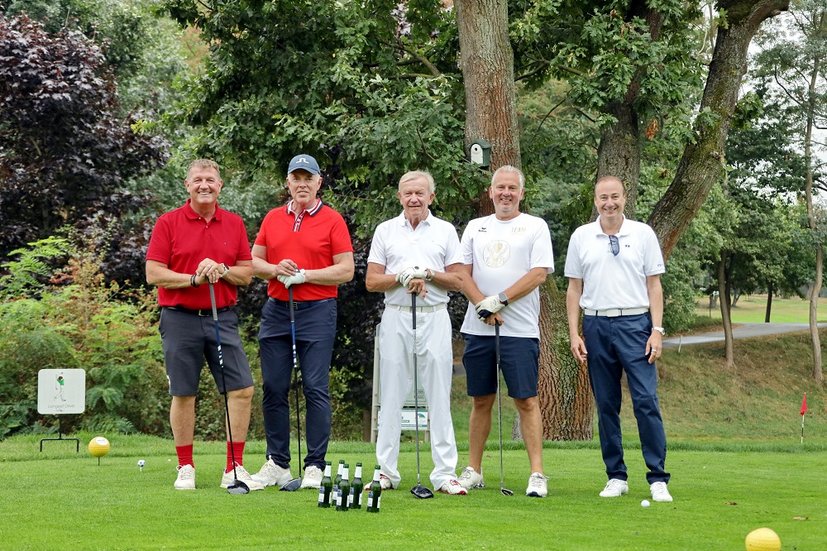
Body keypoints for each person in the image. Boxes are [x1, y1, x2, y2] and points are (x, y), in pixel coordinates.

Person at [146, 159, 263, 491]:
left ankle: (234, 468)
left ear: (220, 186)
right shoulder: (168, 222)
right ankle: (185, 466)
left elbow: (246, 273)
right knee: (184, 392)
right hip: (179, 318)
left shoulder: (234, 223)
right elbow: (154, 273)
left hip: (222, 317)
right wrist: (194, 279)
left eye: (210, 180)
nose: (204, 185)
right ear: (187, 186)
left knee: (241, 390)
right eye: (197, 180)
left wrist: (221, 269)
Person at [564, 175, 673, 503]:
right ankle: (616, 475)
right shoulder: (582, 236)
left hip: (636, 324)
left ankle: (657, 477)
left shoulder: (642, 234)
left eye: (614, 197)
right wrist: (574, 333)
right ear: (595, 201)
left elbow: (654, 285)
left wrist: (657, 330)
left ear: (625, 198)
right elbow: (574, 288)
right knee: (607, 404)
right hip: (596, 325)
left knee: (645, 400)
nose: (609, 203)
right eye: (603, 198)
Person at [250, 153, 354, 490]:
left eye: (308, 178)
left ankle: (315, 465)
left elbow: (346, 269)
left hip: (317, 311)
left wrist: (306, 275)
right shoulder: (273, 218)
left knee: (314, 387)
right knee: (274, 387)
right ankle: (278, 462)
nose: (302, 184)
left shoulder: (332, 220)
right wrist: (275, 269)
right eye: (296, 178)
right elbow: (254, 262)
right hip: (277, 310)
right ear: (288, 182)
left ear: (318, 182)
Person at [365, 170, 467, 495]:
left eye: (420, 193)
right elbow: (372, 281)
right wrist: (401, 277)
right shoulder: (385, 230)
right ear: (399, 197)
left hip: (434, 316)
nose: (413, 199)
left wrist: (427, 274)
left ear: (431, 197)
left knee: (438, 394)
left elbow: (458, 280)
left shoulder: (445, 231)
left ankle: (444, 474)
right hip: (396, 316)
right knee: (391, 394)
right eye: (408, 193)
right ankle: (386, 471)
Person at [456, 165, 554, 498]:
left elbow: (538, 274)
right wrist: (482, 305)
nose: (506, 193)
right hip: (478, 327)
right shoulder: (476, 227)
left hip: (520, 330)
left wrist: (499, 300)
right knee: (481, 399)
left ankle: (537, 473)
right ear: (491, 191)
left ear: (521, 193)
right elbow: (462, 273)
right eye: (500, 187)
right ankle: (474, 470)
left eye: (512, 188)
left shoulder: (535, 226)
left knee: (526, 399)